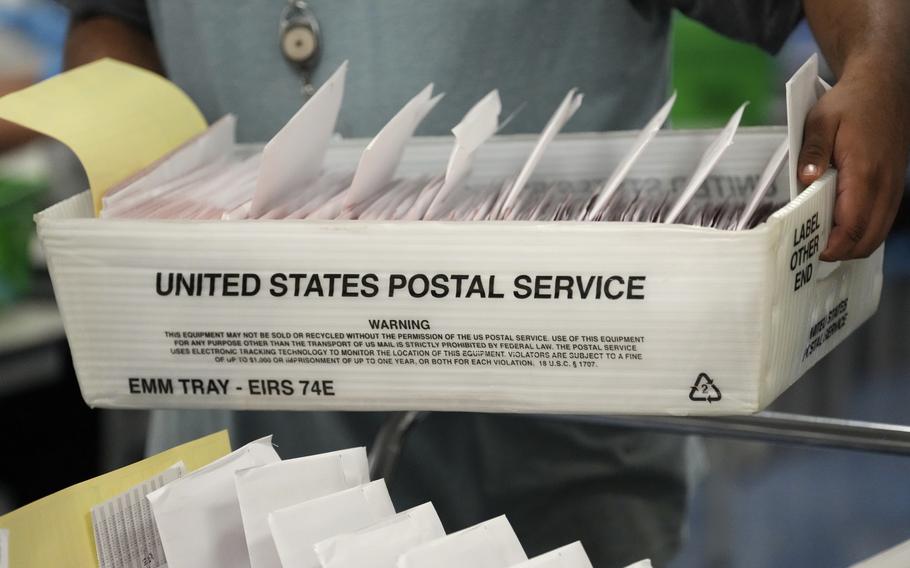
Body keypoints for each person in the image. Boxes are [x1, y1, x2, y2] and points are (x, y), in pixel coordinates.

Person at [59, 1, 910, 565]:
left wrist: (878, 61)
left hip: (549, 454)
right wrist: (142, 175)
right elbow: (111, 14)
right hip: (232, 423)